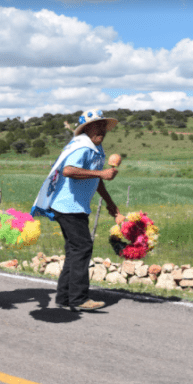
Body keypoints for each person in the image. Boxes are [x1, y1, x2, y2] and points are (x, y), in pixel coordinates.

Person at [32, 109, 119, 312]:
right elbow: (69, 170)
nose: (102, 130)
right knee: (82, 248)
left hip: (75, 207)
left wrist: (109, 202)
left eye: (104, 127)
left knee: (74, 251)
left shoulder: (95, 148)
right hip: (68, 206)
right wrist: (101, 173)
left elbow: (96, 180)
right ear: (87, 129)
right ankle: (79, 298)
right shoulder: (83, 147)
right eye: (98, 126)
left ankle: (64, 297)